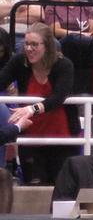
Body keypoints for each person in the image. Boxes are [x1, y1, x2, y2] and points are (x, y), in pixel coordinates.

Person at [0, 23, 79, 184]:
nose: (29, 49)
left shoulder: (64, 65)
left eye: (34, 44)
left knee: (62, 189)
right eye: (27, 44)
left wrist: (30, 109)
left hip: (62, 138)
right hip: (31, 138)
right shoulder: (20, 61)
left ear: (48, 45)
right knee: (34, 188)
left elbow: (59, 96)